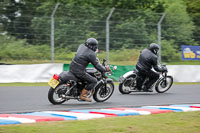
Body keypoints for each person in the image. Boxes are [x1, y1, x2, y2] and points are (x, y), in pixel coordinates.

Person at [69, 38, 111, 102]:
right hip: (79, 71)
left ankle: (80, 88)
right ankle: (82, 95)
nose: (96, 47)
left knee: (86, 72)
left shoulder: (81, 46)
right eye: (95, 46)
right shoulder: (91, 54)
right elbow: (97, 65)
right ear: (93, 46)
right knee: (93, 81)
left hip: (72, 66)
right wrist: (105, 69)